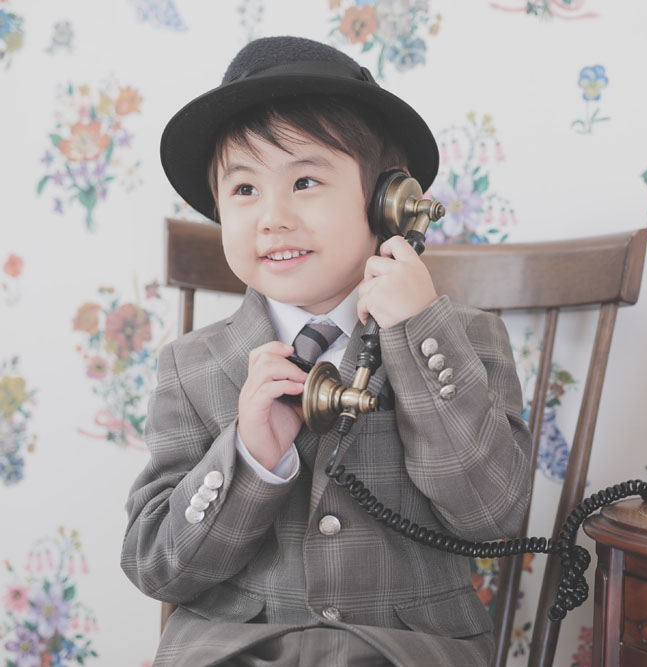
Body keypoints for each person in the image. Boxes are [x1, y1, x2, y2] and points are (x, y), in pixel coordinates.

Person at [121, 35, 531, 667]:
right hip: (237, 651)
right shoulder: (192, 366)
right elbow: (159, 567)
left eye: (305, 181)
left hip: (405, 652)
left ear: (387, 202)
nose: (272, 217)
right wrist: (249, 457)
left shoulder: (461, 343)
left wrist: (418, 333)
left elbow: (492, 514)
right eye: (245, 190)